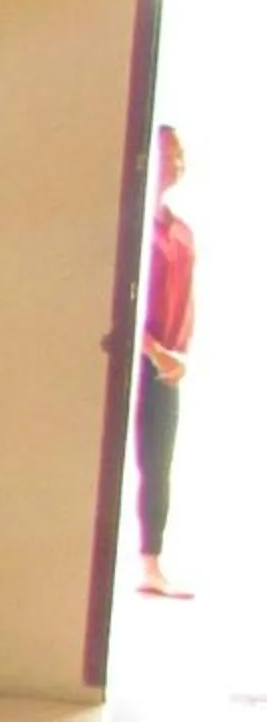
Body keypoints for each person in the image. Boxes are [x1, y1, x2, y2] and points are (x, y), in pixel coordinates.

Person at [135, 122, 198, 598]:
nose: (178, 162)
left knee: (159, 463)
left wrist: (176, 357)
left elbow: (187, 298)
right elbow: (124, 296)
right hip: (135, 358)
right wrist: (151, 350)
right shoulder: (135, 227)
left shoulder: (181, 230)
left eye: (180, 155)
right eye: (170, 153)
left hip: (166, 367)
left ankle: (151, 565)